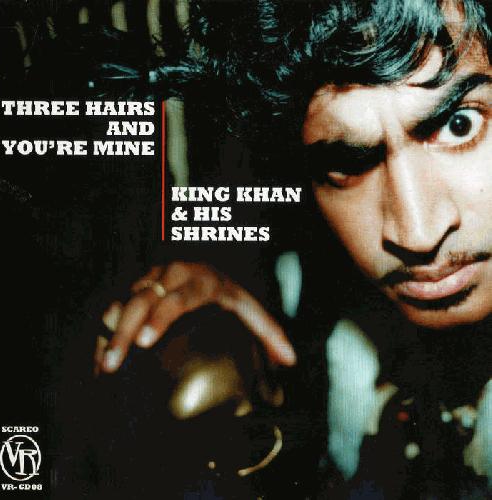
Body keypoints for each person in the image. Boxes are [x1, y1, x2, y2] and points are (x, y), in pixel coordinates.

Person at [93, 0, 491, 498]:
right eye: (349, 161)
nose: (416, 234)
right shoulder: (315, 310)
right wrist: (228, 300)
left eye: (460, 125)